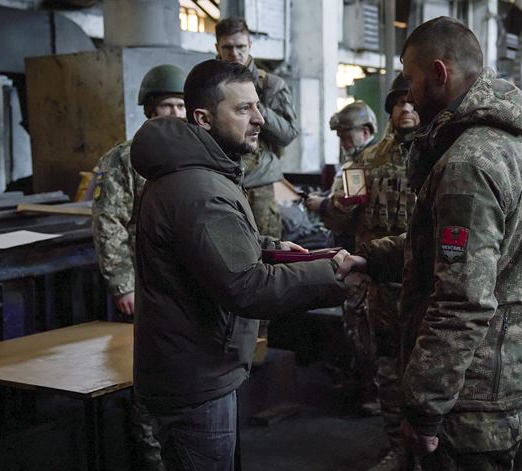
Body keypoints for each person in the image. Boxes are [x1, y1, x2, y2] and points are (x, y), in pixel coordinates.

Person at [339, 17, 522, 470]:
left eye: (412, 81)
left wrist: (424, 406)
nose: (409, 96)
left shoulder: (468, 164)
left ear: (440, 73)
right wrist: (369, 257)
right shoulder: (509, 144)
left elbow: (463, 300)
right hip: (504, 379)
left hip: (472, 402)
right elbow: (449, 249)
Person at [131, 59, 349, 471]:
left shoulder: (200, 174)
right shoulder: (198, 188)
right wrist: (332, 274)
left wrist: (269, 247)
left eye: (257, 106)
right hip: (196, 377)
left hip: (198, 366)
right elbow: (247, 286)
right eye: (243, 109)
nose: (259, 120)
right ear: (204, 118)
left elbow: (209, 247)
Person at [320, 75, 420, 471]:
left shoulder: (445, 156)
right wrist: (339, 204)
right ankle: (398, 447)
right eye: (398, 103)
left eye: (412, 102)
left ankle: (435, 447)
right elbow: (338, 216)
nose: (406, 109)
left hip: (429, 284)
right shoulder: (367, 161)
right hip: (381, 284)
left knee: (433, 368)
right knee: (389, 370)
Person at [91, 63, 186, 471]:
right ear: (149, 109)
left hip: (188, 286)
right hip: (146, 287)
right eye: (167, 105)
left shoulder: (195, 156)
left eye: (182, 106)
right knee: (148, 380)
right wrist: (122, 284)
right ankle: (152, 460)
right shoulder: (123, 160)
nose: (176, 114)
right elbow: (107, 222)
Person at [305, 100, 380, 416]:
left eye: (347, 135)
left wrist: (321, 205)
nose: (343, 142)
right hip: (365, 252)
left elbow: (345, 212)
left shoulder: (362, 165)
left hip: (361, 255)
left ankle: (374, 391)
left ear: (365, 132)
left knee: (363, 325)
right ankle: (364, 383)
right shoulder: (368, 161)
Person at [216, 17, 299, 239]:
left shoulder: (270, 85)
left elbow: (288, 134)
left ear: (250, 45)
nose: (235, 53)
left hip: (260, 184)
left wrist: (252, 101)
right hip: (220, 181)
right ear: (217, 48)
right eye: (228, 47)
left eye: (240, 46)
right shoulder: (207, 83)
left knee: (268, 255)